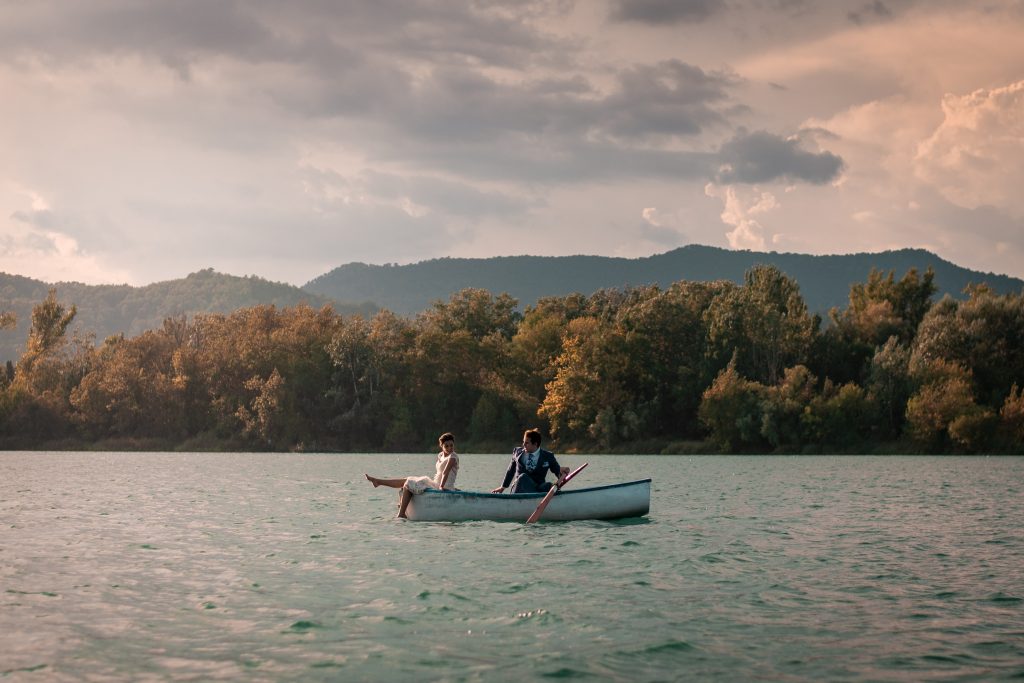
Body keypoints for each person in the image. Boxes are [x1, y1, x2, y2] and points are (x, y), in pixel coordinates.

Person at [365, 432, 460, 518]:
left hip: (442, 487)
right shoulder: (440, 455)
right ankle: (378, 482)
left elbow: (445, 472)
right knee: (408, 479)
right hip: (436, 483)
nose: (449, 448)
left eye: (451, 445)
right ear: (441, 446)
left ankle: (401, 513)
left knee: (409, 482)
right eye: (446, 446)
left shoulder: (453, 457)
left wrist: (442, 487)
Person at [491, 428, 568, 494]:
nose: (523, 445)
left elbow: (557, 472)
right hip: (519, 489)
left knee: (548, 485)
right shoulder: (517, 452)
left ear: (535, 444)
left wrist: (563, 474)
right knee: (523, 477)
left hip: (537, 490)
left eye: (526, 443)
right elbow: (510, 471)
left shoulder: (548, 456)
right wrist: (502, 487)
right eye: (523, 442)